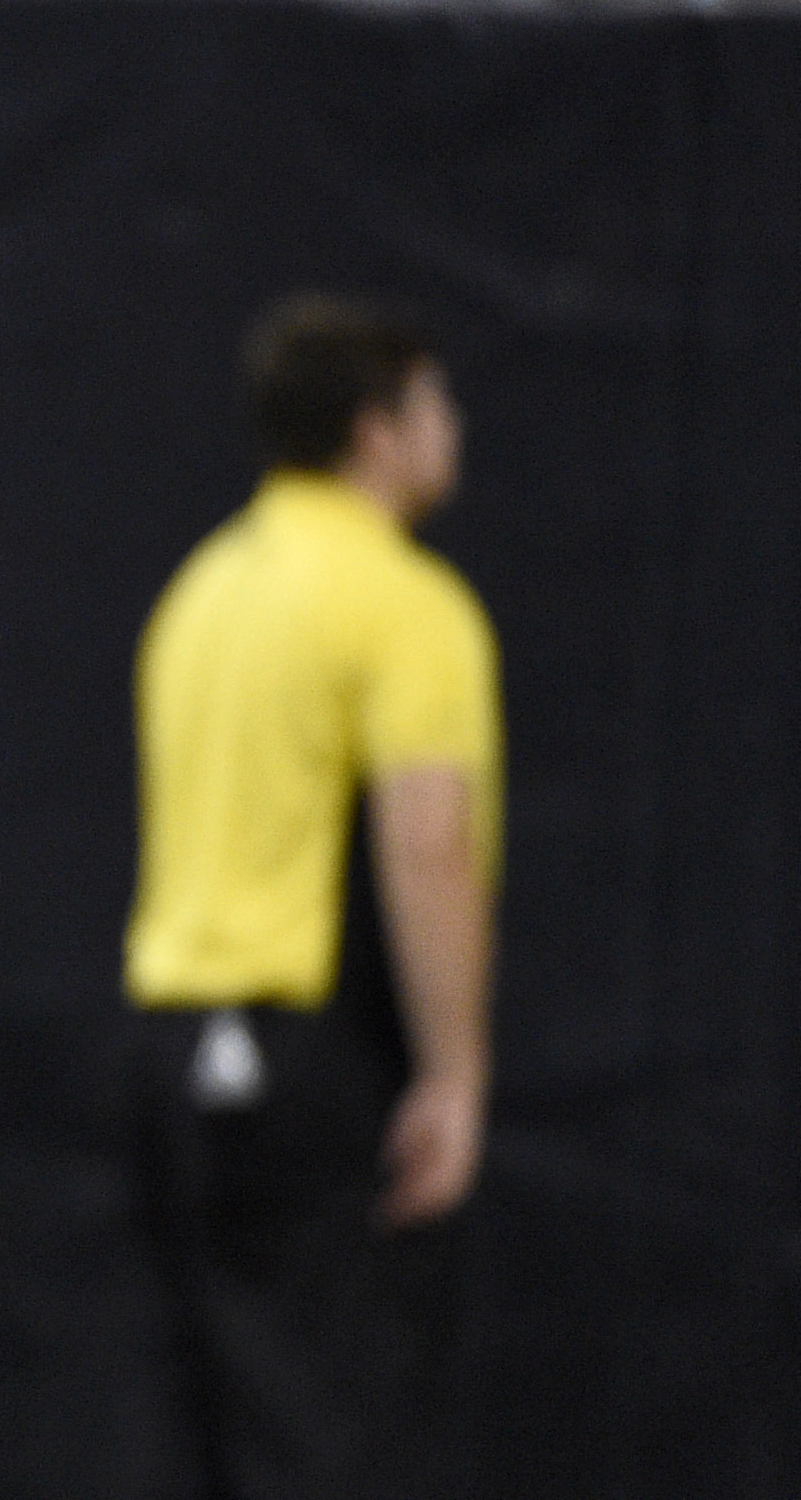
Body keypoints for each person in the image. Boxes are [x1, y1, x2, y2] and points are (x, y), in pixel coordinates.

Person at [125, 295, 497, 1496]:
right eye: (434, 401)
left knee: (210, 1421)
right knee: (333, 1427)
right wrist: (452, 1070)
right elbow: (427, 841)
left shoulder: (200, 589)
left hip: (171, 1053)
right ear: (373, 432)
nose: (455, 426)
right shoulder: (402, 602)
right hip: (310, 1059)